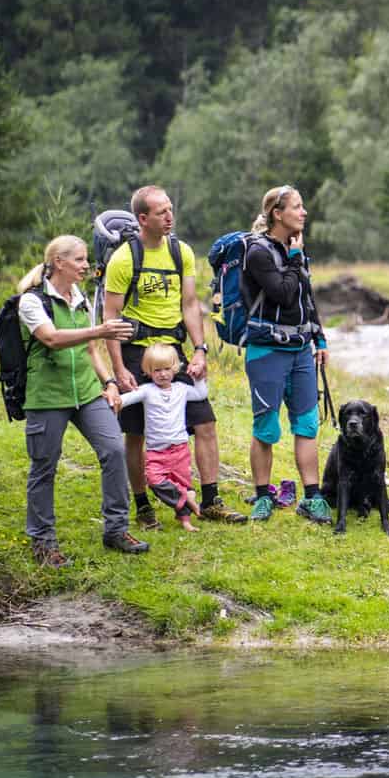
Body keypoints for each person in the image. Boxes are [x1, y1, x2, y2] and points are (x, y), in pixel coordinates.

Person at [103, 185, 240, 525]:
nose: (169, 216)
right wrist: (119, 368)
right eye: (161, 212)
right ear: (142, 218)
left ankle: (210, 501)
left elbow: (190, 304)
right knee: (135, 433)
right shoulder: (124, 258)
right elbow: (110, 319)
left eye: (170, 209)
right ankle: (143, 505)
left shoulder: (182, 253)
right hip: (136, 351)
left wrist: (199, 350)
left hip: (174, 352)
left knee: (205, 421)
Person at [15, 235, 147, 563]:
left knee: (114, 450)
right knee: (44, 467)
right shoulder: (32, 301)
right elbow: (52, 339)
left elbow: (90, 351)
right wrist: (100, 330)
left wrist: (111, 382)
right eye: (79, 260)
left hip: (87, 392)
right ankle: (44, 543)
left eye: (86, 259)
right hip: (48, 396)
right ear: (59, 262)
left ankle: (116, 530)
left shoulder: (80, 297)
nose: (86, 266)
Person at [242, 185, 332, 524]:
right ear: (277, 214)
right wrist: (295, 259)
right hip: (266, 351)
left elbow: (305, 298)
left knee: (307, 424)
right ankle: (263, 496)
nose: (304, 212)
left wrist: (319, 339)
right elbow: (281, 293)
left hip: (300, 352)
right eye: (297, 207)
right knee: (266, 427)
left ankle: (313, 497)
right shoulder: (258, 252)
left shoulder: (297, 249)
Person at [116, 343, 210, 531]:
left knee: (182, 482)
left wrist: (199, 378)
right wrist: (114, 399)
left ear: (175, 368)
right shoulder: (147, 390)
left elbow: (200, 394)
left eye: (167, 369)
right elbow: (127, 399)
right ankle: (186, 499)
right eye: (157, 370)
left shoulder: (181, 389)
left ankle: (185, 520)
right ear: (148, 371)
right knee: (154, 480)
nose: (163, 374)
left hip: (179, 449)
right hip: (156, 451)